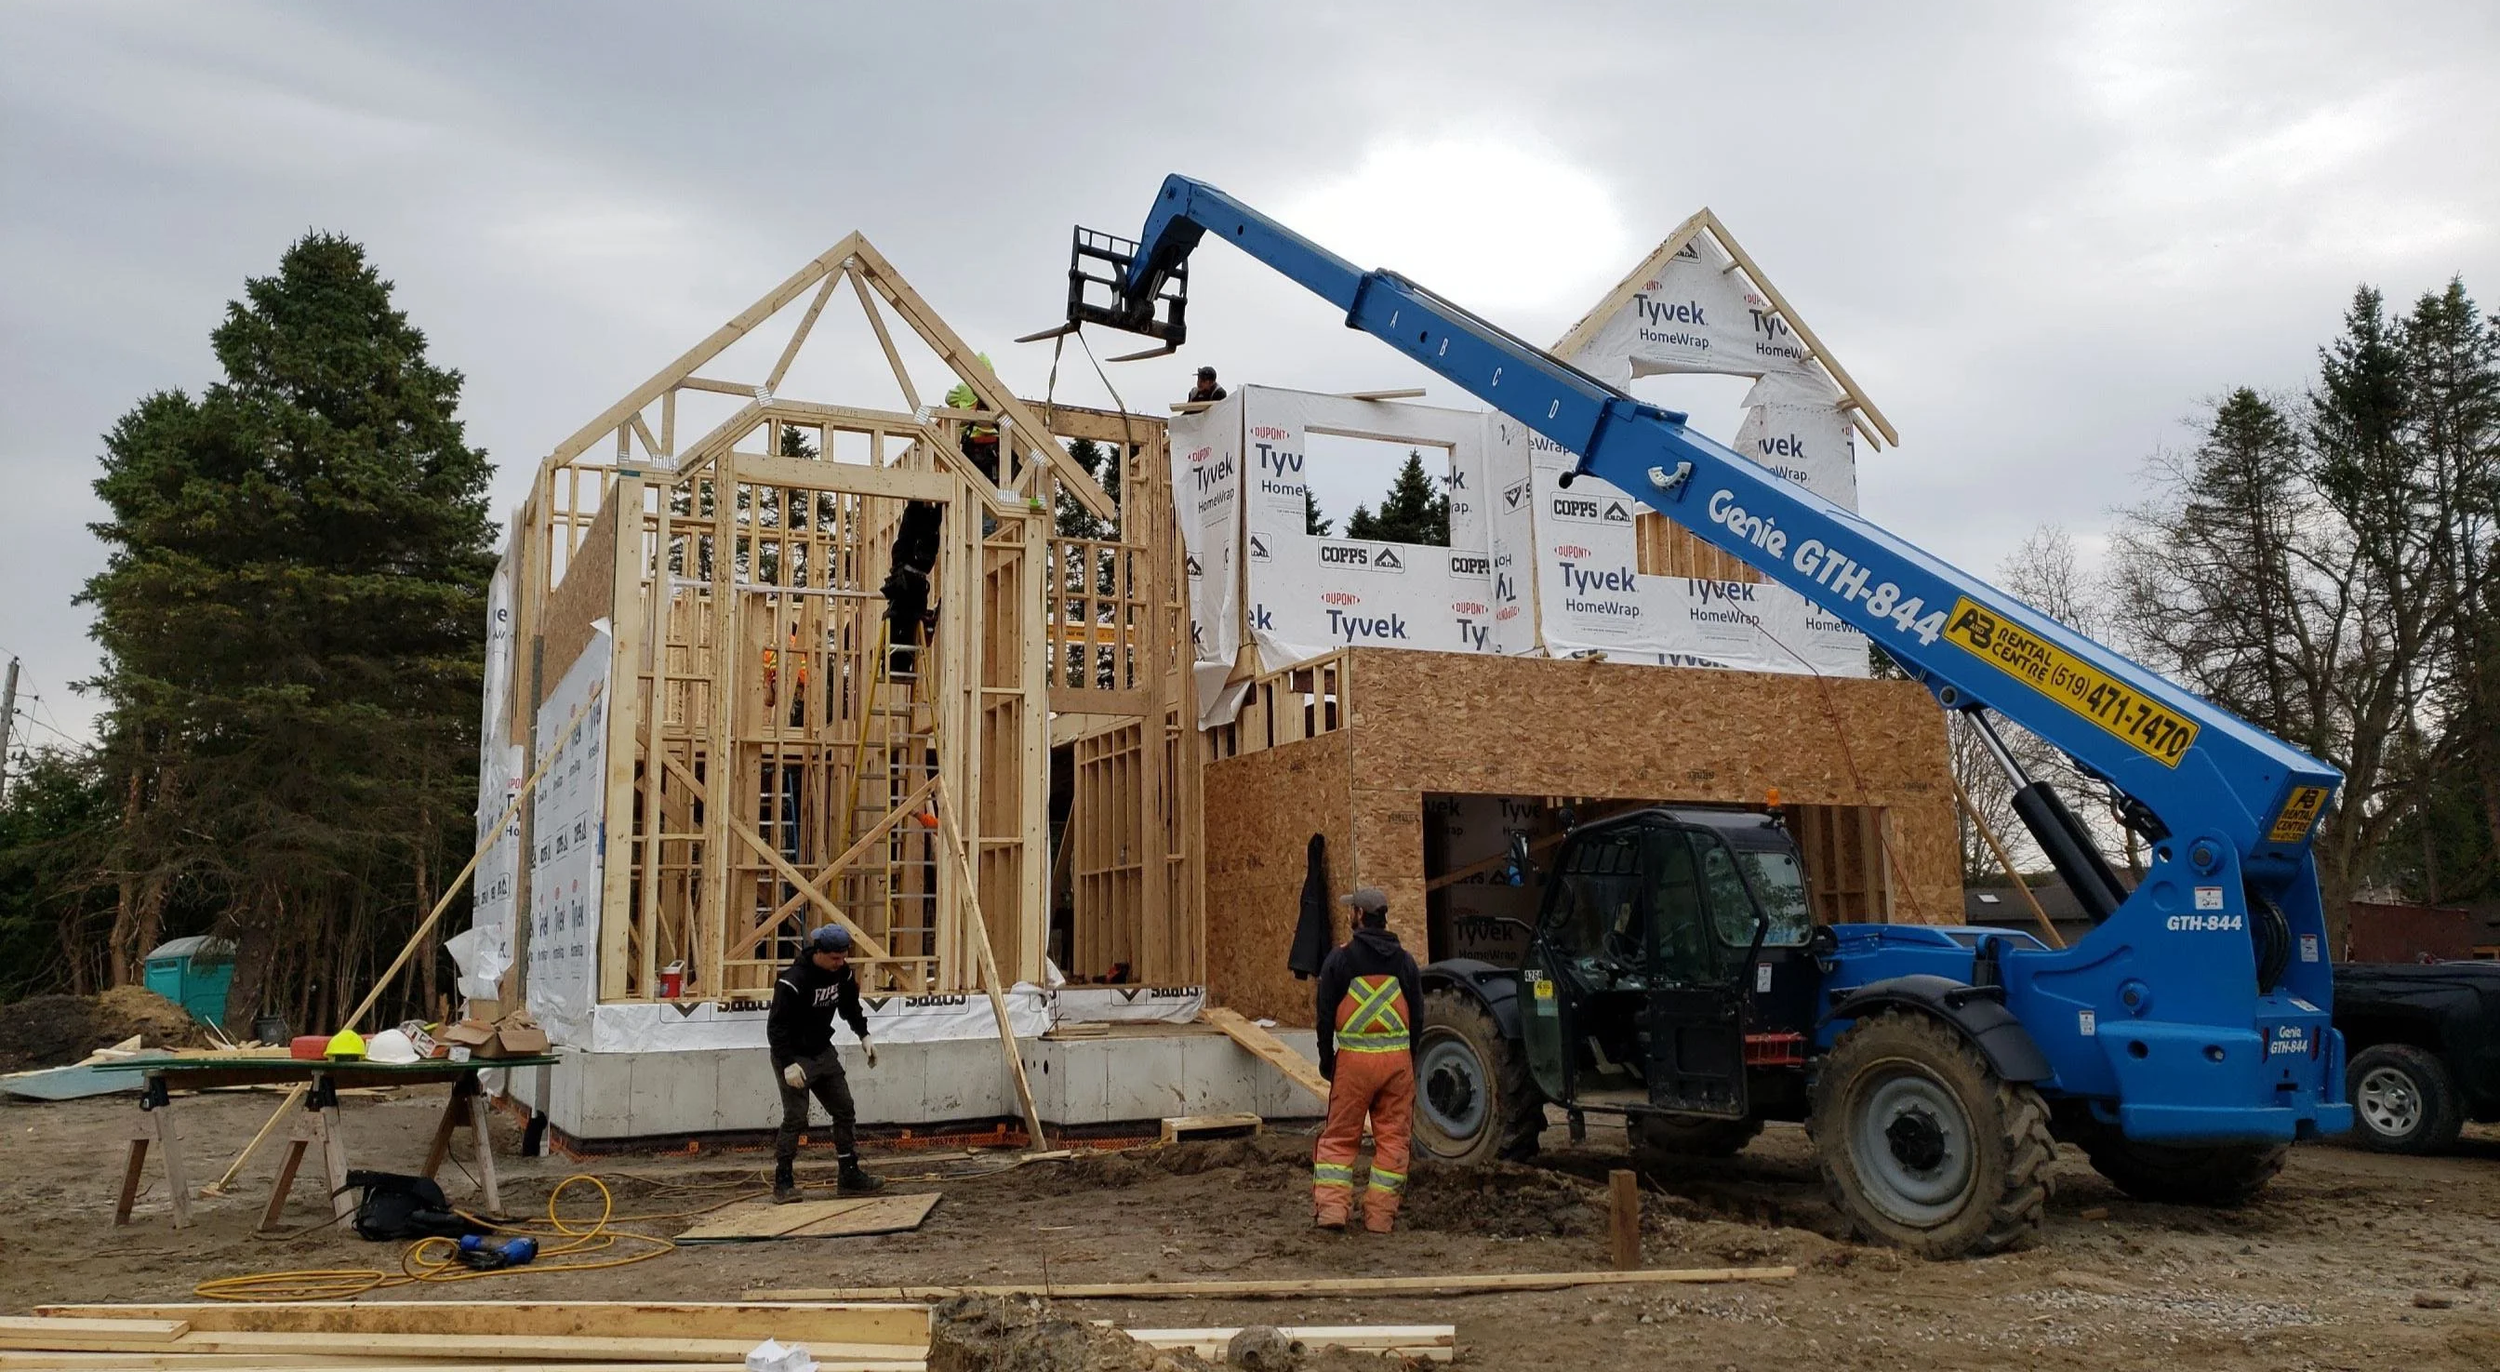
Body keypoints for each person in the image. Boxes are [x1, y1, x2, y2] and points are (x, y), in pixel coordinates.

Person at [1310, 887, 1421, 1232]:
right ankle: (1380, 1217)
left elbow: (1325, 1015)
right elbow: (1417, 1016)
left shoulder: (1340, 960)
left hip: (1354, 1066)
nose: (1348, 915)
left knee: (1340, 1139)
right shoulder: (1404, 961)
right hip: (1397, 1066)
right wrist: (1409, 1060)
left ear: (1359, 915)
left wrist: (1327, 1059)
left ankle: (1332, 1211)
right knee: (1393, 1141)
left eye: (1351, 910)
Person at [766, 924, 886, 1201]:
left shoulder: (842, 974)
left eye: (843, 957)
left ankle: (849, 1175)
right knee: (795, 1117)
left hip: (822, 1050)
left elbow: (849, 1007)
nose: (840, 962)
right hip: (794, 1056)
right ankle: (783, 1181)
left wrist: (864, 1035)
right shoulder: (792, 981)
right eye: (834, 957)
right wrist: (787, 1064)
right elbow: (777, 1028)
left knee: (844, 1109)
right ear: (819, 952)